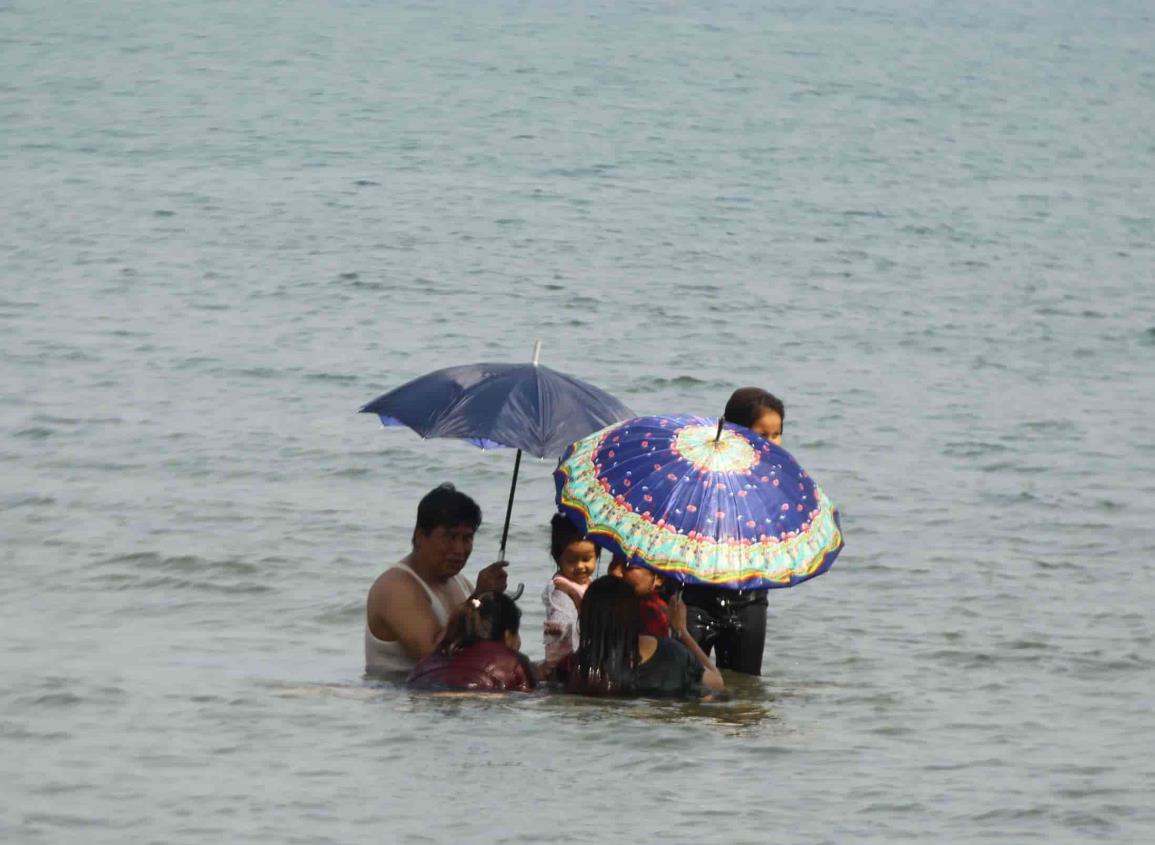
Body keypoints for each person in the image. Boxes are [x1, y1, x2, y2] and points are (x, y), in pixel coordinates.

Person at [681, 387, 785, 676]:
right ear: (735, 431)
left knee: (746, 694)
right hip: (695, 597)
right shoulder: (701, 473)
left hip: (750, 598)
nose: (771, 443)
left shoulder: (780, 483)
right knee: (682, 692)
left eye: (776, 434)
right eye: (762, 435)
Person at [365, 484, 509, 676]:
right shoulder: (395, 587)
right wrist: (479, 597)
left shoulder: (460, 582)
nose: (459, 549)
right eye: (450, 537)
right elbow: (434, 655)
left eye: (467, 538)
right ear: (420, 537)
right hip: (402, 699)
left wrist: (495, 605)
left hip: (449, 693)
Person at [566, 576, 723, 697]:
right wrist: (682, 631)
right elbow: (717, 683)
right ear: (634, 615)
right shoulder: (673, 654)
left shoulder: (576, 668)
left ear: (586, 619)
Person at [406, 592, 536, 692]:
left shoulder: (426, 662)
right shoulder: (513, 662)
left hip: (423, 688)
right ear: (508, 636)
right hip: (483, 695)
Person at [541, 514, 598, 661]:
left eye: (587, 559)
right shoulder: (559, 591)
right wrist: (553, 664)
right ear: (557, 557)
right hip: (566, 660)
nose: (580, 566)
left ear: (596, 556)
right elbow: (556, 628)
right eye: (572, 560)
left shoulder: (588, 583)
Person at [607, 554, 670, 638]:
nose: (616, 573)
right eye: (613, 564)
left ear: (659, 578)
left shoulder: (650, 609)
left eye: (629, 566)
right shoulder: (621, 602)